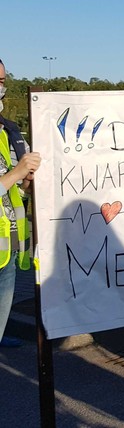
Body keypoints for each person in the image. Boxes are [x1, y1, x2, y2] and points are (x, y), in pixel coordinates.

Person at [0, 58, 42, 348]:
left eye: (2, 82)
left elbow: (19, 189)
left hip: (8, 248)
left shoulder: (9, 132)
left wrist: (27, 184)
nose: (0, 89)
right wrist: (16, 173)